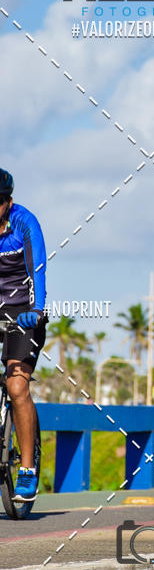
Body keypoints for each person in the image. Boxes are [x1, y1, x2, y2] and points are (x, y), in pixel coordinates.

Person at [0, 169, 47, 502]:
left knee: (17, 385)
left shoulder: (24, 223)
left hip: (23, 311)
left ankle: (27, 469)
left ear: (8, 202)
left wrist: (37, 309)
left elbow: (39, 270)